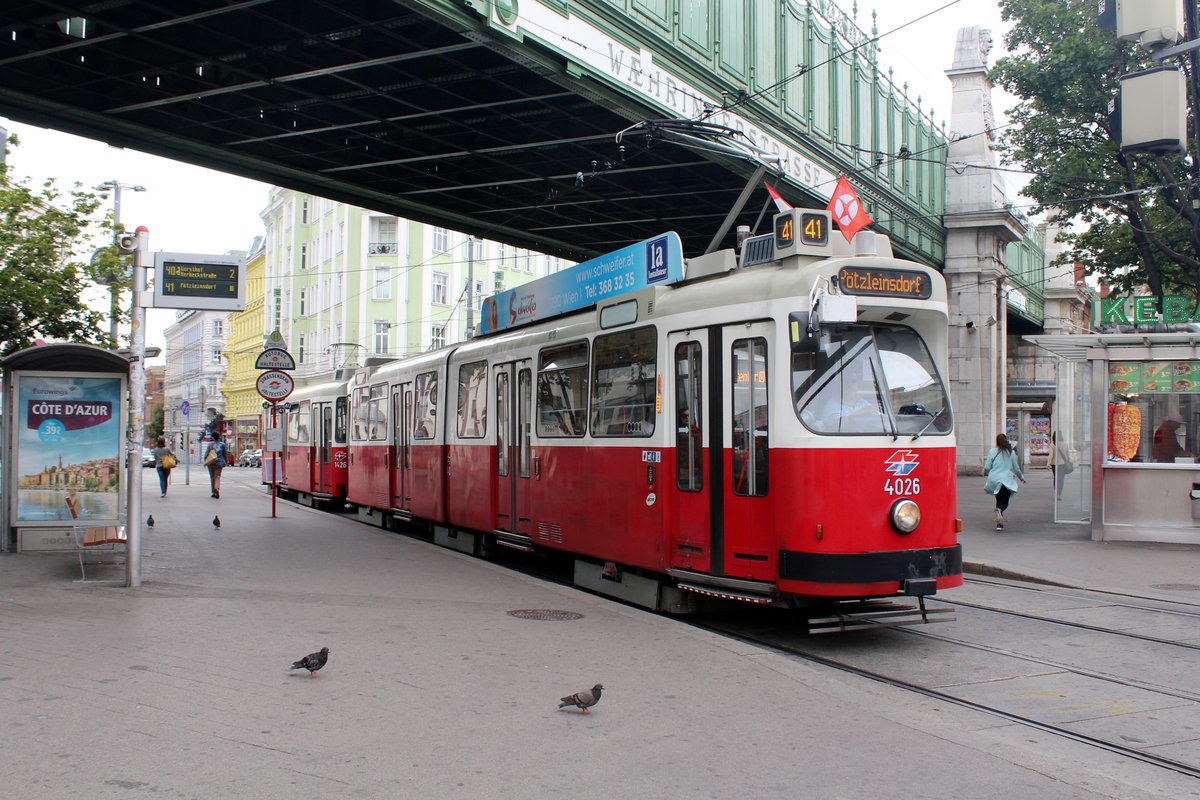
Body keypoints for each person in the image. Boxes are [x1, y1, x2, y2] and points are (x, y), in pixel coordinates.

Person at [983, 433, 1025, 530]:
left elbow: (987, 467)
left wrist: (991, 472)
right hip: (1005, 479)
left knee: (999, 498)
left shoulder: (992, 451)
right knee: (1004, 500)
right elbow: (1016, 467)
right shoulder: (1011, 452)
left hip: (994, 479)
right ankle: (1000, 510)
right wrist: (1021, 477)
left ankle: (999, 524)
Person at [202, 431, 228, 499]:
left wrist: (205, 462)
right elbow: (224, 454)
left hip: (211, 463)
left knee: (212, 477)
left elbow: (206, 454)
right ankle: (217, 488)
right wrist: (225, 461)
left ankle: (213, 492)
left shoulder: (210, 444)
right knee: (217, 477)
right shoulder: (222, 445)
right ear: (219, 437)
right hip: (219, 463)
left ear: (212, 437)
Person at [1047, 431, 1072, 500]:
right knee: (1061, 479)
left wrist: (1048, 463)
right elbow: (1067, 455)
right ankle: (1059, 494)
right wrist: (1068, 461)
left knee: (1056, 478)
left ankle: (1056, 493)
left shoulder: (1053, 445)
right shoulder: (1065, 444)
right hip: (1063, 464)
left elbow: (1051, 455)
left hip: (1055, 464)